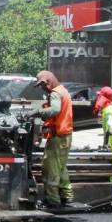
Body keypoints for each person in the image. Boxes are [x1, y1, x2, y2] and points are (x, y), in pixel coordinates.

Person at [33, 71, 74, 208]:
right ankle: (66, 196)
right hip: (65, 135)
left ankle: (53, 199)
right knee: (61, 166)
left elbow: (55, 110)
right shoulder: (64, 91)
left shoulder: (55, 93)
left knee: (50, 167)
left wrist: (38, 112)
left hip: (58, 137)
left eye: (42, 85)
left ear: (48, 82)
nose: (42, 88)